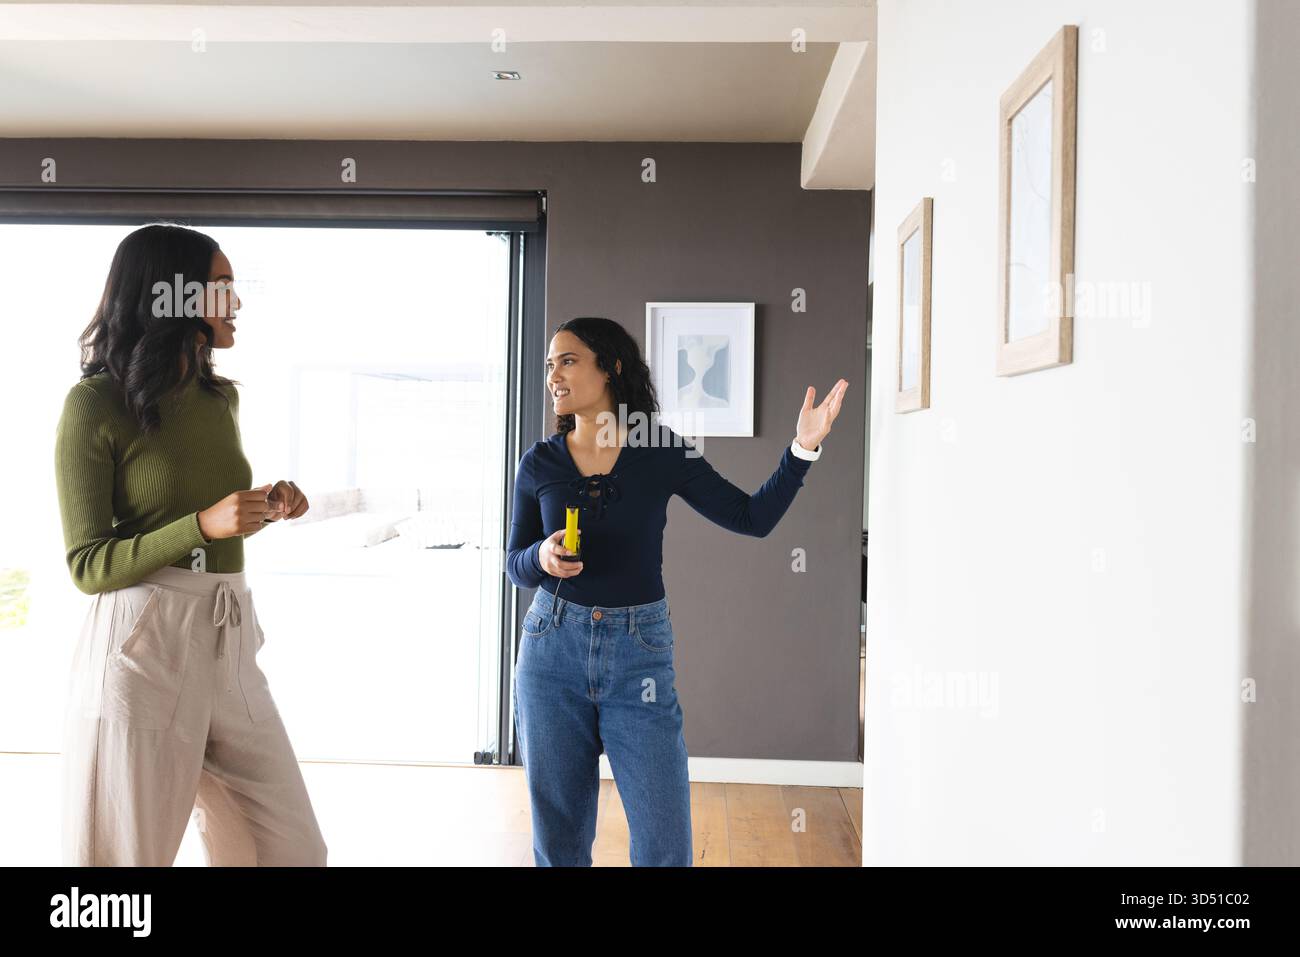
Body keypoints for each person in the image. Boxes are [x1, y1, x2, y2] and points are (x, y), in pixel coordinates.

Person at [506, 316, 847, 866]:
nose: (554, 375)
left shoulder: (659, 450)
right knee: (559, 838)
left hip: (637, 653)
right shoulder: (540, 461)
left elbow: (750, 516)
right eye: (549, 365)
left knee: (664, 842)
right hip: (550, 649)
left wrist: (801, 450)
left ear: (610, 366)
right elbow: (515, 564)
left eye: (567, 360)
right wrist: (541, 557)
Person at [54, 223, 327, 866]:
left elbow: (206, 509)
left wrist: (264, 503)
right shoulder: (94, 405)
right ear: (172, 297)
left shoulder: (218, 399)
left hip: (228, 638)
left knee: (288, 848)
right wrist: (201, 526)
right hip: (143, 642)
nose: (237, 303)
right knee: (122, 863)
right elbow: (87, 564)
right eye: (223, 287)